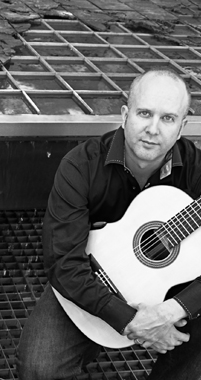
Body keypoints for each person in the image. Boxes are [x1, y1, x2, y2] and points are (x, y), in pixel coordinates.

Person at [18, 68, 201, 379]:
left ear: (182, 127)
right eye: (144, 113)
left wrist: (174, 310)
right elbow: (63, 262)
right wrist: (133, 321)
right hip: (90, 283)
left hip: (171, 292)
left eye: (168, 119)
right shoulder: (81, 165)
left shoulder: (196, 169)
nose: (153, 129)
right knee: (38, 369)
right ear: (125, 114)